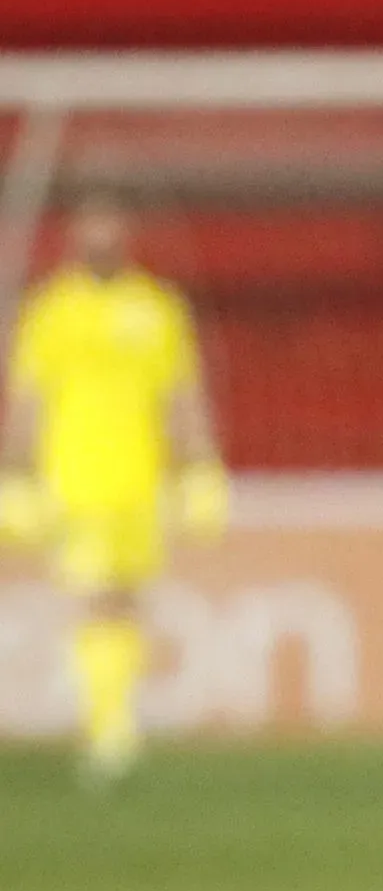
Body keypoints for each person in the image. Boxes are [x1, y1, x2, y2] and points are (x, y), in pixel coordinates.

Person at [1, 192, 227, 787]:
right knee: (96, 593)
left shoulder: (156, 309)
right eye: (88, 220)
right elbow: (28, 400)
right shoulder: (51, 311)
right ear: (74, 231)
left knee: (128, 599)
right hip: (74, 478)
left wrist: (200, 467)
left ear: (125, 228)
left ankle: (114, 719)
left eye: (109, 219)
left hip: (141, 478)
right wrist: (14, 472)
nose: (99, 231)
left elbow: (181, 396)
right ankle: (108, 729)